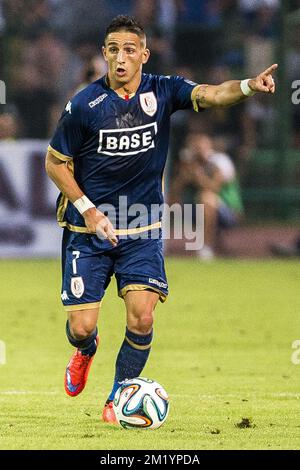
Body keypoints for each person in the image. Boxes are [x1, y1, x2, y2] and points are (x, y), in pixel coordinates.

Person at [45, 15, 277, 424]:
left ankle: (118, 397)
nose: (121, 57)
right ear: (104, 54)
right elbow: (55, 163)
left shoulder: (163, 90)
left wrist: (246, 87)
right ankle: (85, 350)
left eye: (129, 49)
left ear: (144, 55)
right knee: (81, 326)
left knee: (143, 315)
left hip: (142, 227)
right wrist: (90, 210)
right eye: (113, 49)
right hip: (88, 229)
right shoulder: (83, 104)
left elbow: (212, 93)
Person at [170, 133, 244, 260]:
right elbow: (174, 191)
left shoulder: (219, 161)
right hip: (194, 211)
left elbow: (214, 188)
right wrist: (184, 175)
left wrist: (198, 175)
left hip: (228, 211)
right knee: (170, 200)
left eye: (201, 147)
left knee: (207, 198)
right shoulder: (190, 164)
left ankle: (206, 246)